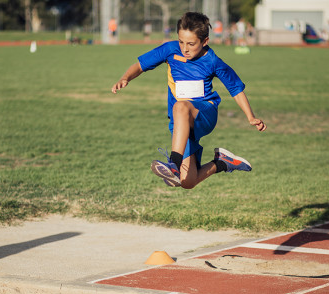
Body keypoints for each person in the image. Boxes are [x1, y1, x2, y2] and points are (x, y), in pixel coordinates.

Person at [111, 12, 266, 189]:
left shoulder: (213, 61)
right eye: (181, 42)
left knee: (181, 106)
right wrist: (126, 78)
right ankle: (223, 162)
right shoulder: (170, 50)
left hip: (205, 114)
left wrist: (250, 117)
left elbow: (236, 88)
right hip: (180, 123)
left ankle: (174, 164)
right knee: (187, 181)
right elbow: (140, 65)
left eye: (191, 44)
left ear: (205, 41)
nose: (185, 48)